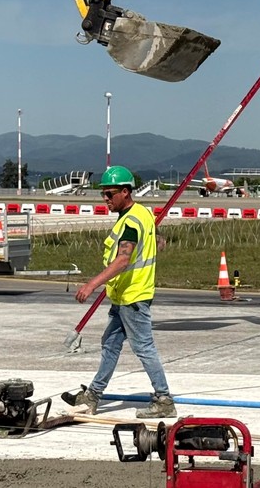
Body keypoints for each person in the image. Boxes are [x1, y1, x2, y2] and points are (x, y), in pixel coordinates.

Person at [61, 165, 176, 418]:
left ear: (125, 192)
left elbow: (123, 260)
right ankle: (93, 396)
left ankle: (164, 399)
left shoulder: (130, 221)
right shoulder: (140, 213)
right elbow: (155, 238)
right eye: (103, 193)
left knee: (144, 348)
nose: (105, 199)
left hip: (133, 298)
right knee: (110, 344)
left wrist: (92, 284)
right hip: (124, 296)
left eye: (110, 194)